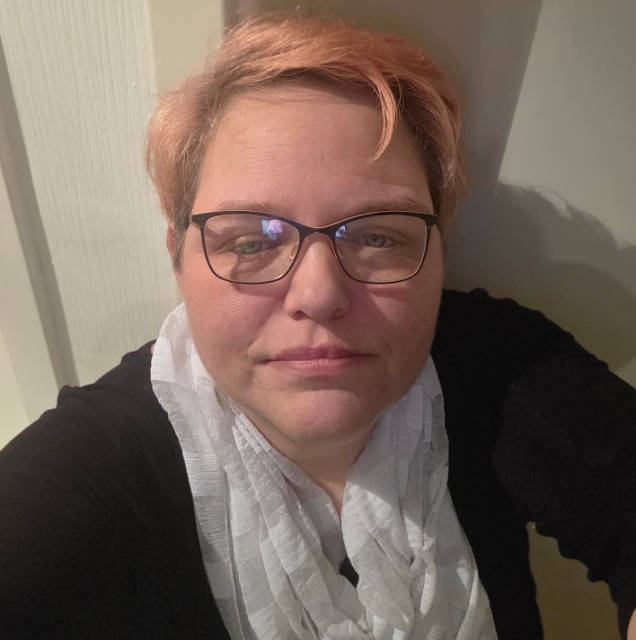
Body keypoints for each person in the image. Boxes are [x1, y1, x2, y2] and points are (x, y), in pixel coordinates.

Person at [1, 12, 635, 640]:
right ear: (178, 258)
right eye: (251, 242)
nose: (320, 295)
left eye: (378, 236)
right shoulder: (98, 466)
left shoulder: (492, 363)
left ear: (439, 249)